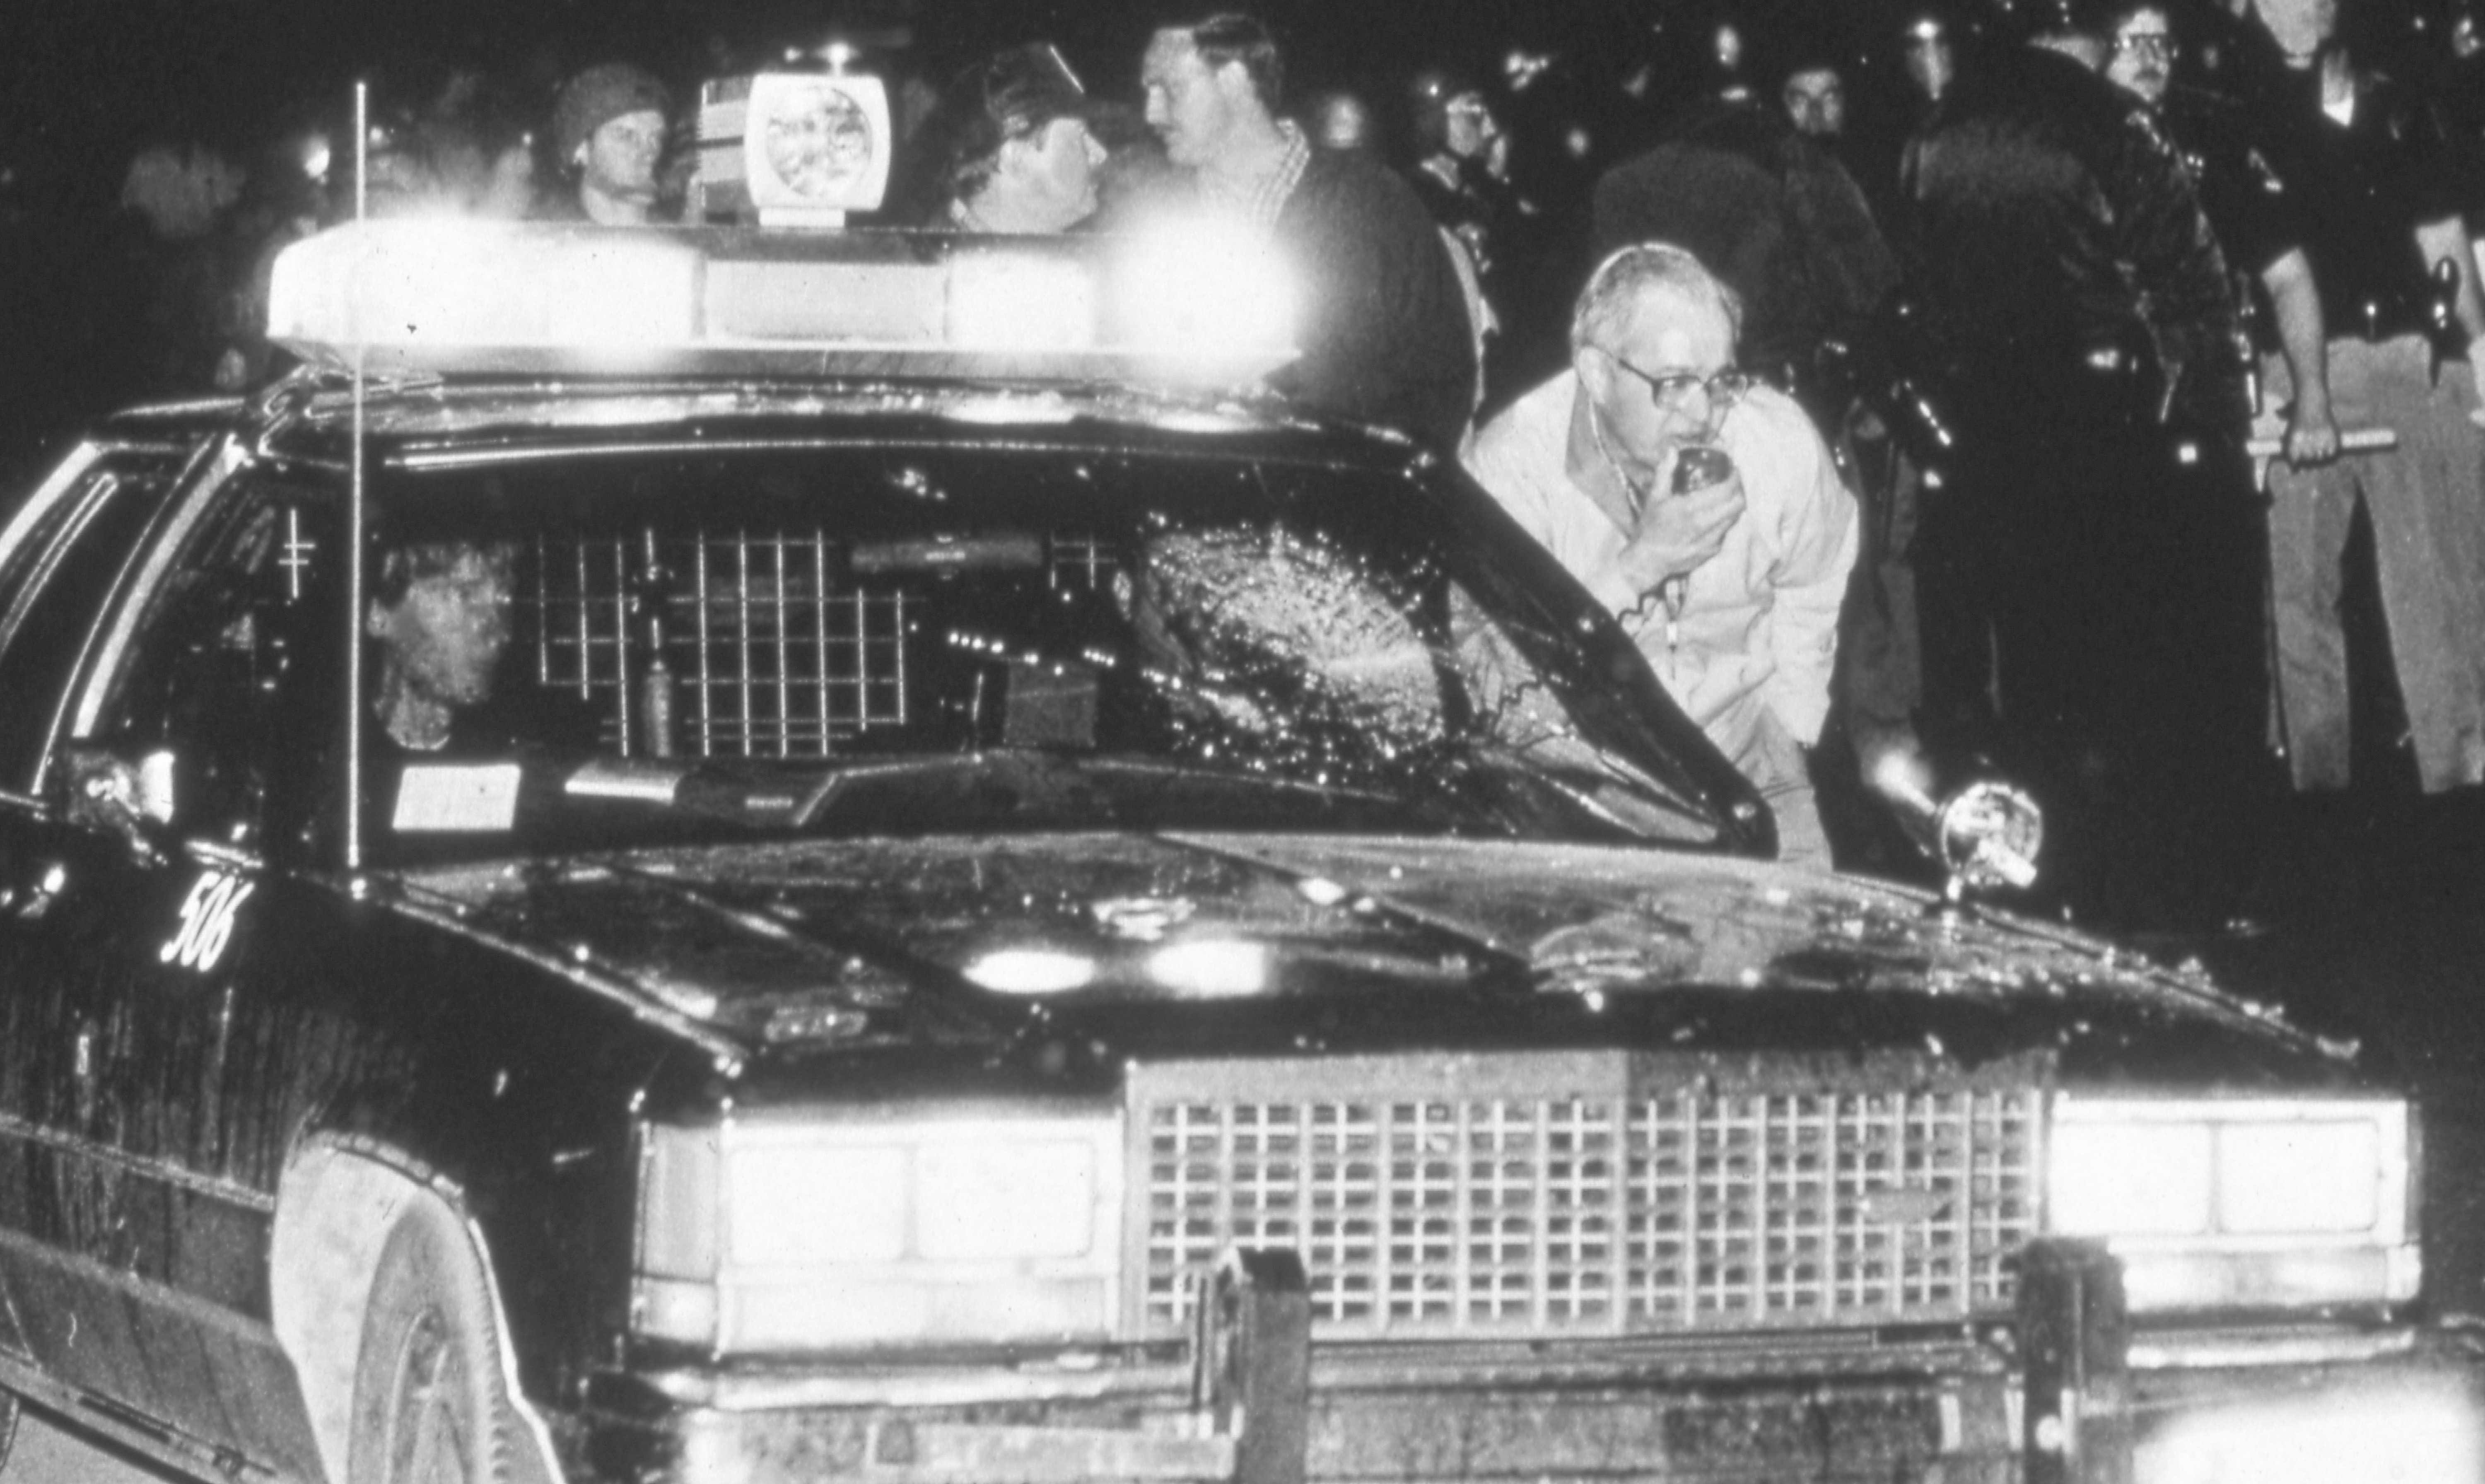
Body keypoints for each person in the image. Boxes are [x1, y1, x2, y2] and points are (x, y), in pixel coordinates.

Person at [1899, 0, 2258, 930]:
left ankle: (2045, 883)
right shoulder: (2115, 123)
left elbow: (1920, 296)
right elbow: (2190, 294)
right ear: (2097, 34)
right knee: (2142, 681)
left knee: (2032, 679)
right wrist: (2218, 442)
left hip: (1988, 442)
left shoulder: (1940, 128)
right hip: (2115, 444)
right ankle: (2149, 899)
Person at [1463, 244, 1858, 868]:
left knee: (1803, 927)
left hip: (1750, 764)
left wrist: (1794, 716)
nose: (1702, 415)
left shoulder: (1773, 439)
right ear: (1597, 373)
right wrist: (1640, 566)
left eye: (1719, 381)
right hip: (1590, 790)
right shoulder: (1511, 470)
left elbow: (1818, 569)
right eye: (1673, 384)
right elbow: (1497, 686)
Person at [2234, 0, 2485, 794]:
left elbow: (2444, 239)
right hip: (2297, 374)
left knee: (2438, 581)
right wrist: (2297, 395)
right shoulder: (2240, 121)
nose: (2298, 11)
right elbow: (2275, 274)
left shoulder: (2401, 107)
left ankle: (2460, 779)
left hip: (2409, 359)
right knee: (2300, 593)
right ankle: (2316, 794)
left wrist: (2481, 356)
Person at [1137, 10, 1477, 451]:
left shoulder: (1375, 207)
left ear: (1236, 80)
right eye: (1147, 91)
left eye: (1170, 88)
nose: (1151, 113)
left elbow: (1441, 384)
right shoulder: (1148, 216)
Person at [910, 44, 1108, 233]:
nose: (1100, 154)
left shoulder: (960, 247)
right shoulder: (931, 256)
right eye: (1080, 139)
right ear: (1015, 158)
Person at [367, 538, 517, 753]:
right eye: (466, 595)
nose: (500, 636)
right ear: (379, 616)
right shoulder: (343, 756)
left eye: (501, 600)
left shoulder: (506, 755)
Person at [544, 63, 669, 225]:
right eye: (626, 136)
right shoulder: (544, 235)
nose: (649, 152)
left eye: (656, 137)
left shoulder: (679, 233)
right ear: (580, 150)